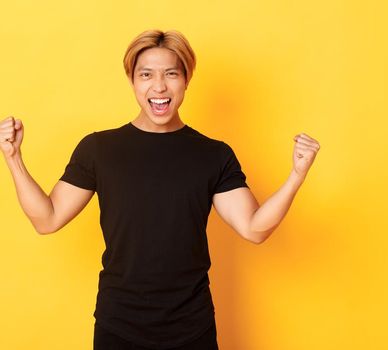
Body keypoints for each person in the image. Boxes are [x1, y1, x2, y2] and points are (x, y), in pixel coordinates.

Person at [1, 29, 320, 350]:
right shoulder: (99, 149)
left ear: (186, 79)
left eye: (171, 74)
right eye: (146, 75)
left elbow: (254, 228)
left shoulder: (213, 155)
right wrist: (13, 158)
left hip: (192, 327)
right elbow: (47, 219)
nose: (159, 86)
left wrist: (296, 175)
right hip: (119, 325)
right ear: (132, 81)